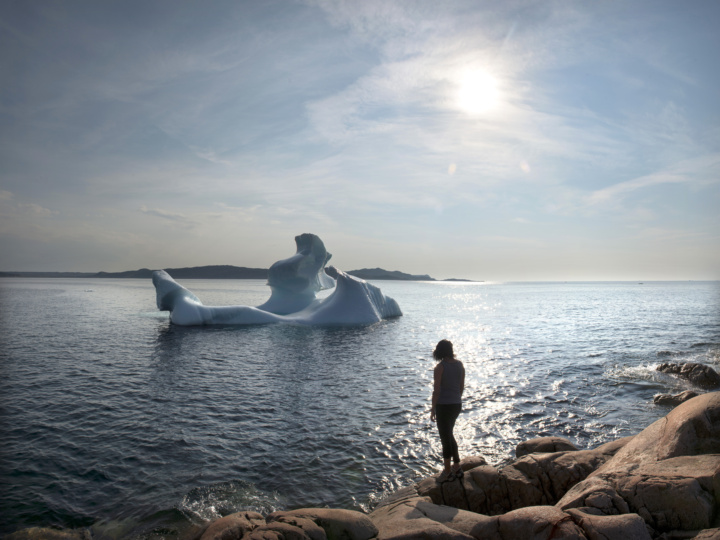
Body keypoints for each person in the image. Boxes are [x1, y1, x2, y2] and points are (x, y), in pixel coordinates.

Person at [430, 339, 465, 481]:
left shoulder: (440, 367)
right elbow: (461, 386)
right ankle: (457, 467)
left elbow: (436, 391)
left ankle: (447, 472)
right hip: (456, 404)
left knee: (445, 438)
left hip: (443, 406)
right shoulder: (460, 365)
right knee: (450, 435)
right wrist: (456, 399)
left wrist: (433, 408)